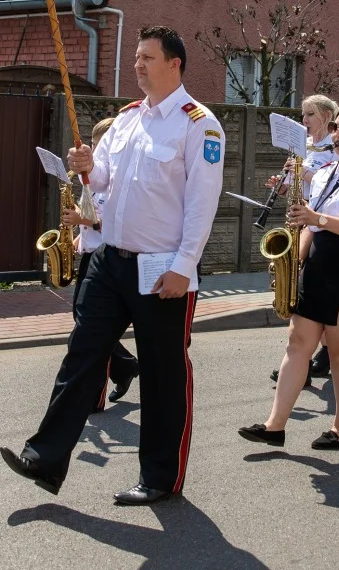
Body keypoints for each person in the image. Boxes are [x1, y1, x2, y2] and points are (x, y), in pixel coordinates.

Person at [2, 26, 224, 504]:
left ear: (174, 64)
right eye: (137, 56)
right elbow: (104, 180)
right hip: (110, 260)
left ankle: (161, 478)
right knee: (82, 357)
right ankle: (43, 458)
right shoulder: (126, 119)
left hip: (161, 268)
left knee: (165, 375)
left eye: (147, 57)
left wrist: (185, 266)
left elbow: (202, 205)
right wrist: (88, 165)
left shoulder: (198, 124)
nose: (138, 64)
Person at [239, 108, 339, 449]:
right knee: (297, 344)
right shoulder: (322, 173)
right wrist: (292, 263)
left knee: (338, 354)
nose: (336, 133)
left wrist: (316, 218)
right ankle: (275, 426)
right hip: (318, 267)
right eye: (334, 126)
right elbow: (310, 225)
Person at [61, 117, 139, 411]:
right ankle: (125, 366)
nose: (94, 151)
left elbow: (112, 223)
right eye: (94, 144)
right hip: (90, 253)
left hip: (106, 257)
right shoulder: (92, 178)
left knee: (88, 328)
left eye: (98, 145)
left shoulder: (113, 180)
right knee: (84, 323)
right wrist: (77, 237)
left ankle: (98, 392)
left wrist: (84, 221)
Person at [267, 94, 339, 383]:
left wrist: (305, 173)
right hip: (299, 220)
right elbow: (293, 186)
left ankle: (308, 360)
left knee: (305, 291)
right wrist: (281, 184)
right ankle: (314, 357)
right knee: (305, 292)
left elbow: (332, 185)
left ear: (324, 116)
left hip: (320, 225)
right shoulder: (304, 148)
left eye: (309, 114)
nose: (304, 120)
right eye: (303, 115)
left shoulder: (335, 148)